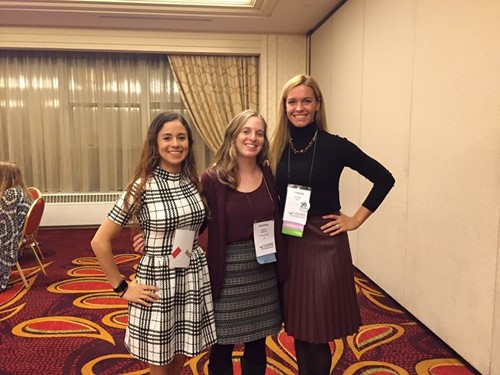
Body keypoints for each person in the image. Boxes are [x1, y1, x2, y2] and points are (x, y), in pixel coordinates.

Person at [269, 74, 395, 375]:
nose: (299, 107)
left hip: (325, 241)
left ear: (317, 104)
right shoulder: (275, 147)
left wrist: (355, 219)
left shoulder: (335, 146)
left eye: (306, 101)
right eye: (292, 101)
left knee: (319, 327)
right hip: (290, 237)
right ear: (285, 107)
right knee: (299, 324)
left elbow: (384, 178)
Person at [91, 112, 217, 375]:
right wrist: (121, 287)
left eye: (181, 137)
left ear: (190, 143)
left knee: (181, 353)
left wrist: (155, 236)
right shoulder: (141, 187)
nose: (175, 144)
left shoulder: (194, 183)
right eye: (167, 137)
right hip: (158, 282)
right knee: (160, 361)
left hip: (191, 276)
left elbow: (196, 224)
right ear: (155, 144)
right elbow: (100, 241)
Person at [201, 109, 286, 375]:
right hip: (227, 270)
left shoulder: (268, 174)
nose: (253, 138)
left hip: (264, 266)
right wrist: (158, 236)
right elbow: (197, 218)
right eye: (246, 131)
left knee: (257, 341)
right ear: (233, 137)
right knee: (222, 342)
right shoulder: (213, 178)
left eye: (259, 133)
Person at [0, 161, 32, 292]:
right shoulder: (19, 191)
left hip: (10, 237)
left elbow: (6, 225)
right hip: (16, 233)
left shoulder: (10, 194)